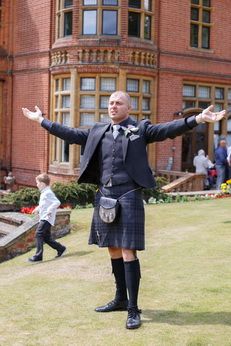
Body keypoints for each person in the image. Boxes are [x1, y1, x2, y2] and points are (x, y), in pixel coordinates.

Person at [22, 92, 226, 329]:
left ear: (129, 108)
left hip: (129, 196)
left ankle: (133, 308)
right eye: (110, 103)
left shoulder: (140, 129)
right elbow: (70, 133)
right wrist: (41, 120)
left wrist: (198, 119)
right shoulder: (98, 131)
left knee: (129, 251)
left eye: (118, 103)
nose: (113, 106)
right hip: (105, 196)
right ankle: (120, 299)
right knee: (113, 250)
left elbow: (167, 129)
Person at [28, 173, 66, 262]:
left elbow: (57, 202)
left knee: (38, 234)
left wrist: (49, 210)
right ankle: (61, 248)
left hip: (47, 218)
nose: (36, 185)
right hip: (45, 217)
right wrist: (36, 209)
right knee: (46, 238)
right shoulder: (44, 192)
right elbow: (43, 204)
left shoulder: (48, 192)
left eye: (37, 183)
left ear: (42, 184)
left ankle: (38, 256)